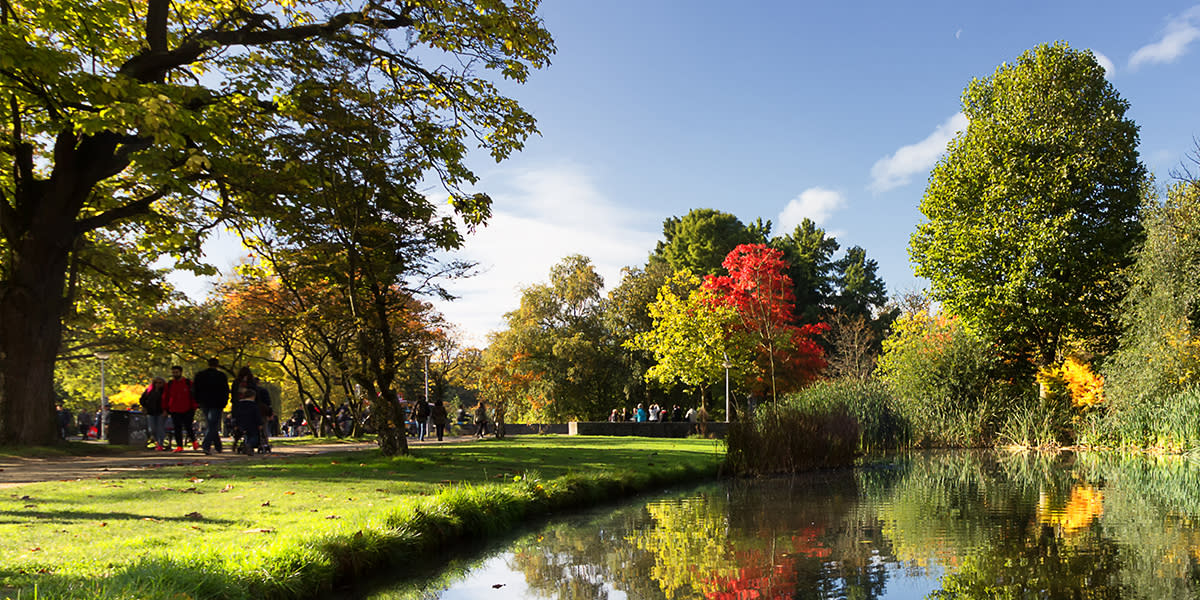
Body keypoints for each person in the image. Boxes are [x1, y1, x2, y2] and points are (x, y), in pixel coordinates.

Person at [193, 358, 230, 455]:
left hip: (204, 402)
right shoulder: (221, 376)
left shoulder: (200, 375)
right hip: (217, 403)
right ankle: (207, 445)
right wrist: (224, 402)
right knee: (212, 423)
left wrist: (197, 401)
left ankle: (218, 446)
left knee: (211, 423)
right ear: (217, 365)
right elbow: (225, 390)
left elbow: (195, 389)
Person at [164, 366, 199, 452]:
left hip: (188, 408)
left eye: (176, 372)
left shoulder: (188, 383)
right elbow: (166, 397)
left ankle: (194, 441)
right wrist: (165, 408)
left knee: (188, 426)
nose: (175, 374)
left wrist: (194, 407)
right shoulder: (170, 384)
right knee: (177, 428)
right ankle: (179, 446)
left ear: (181, 372)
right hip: (174, 409)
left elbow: (194, 395)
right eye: (173, 372)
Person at [231, 367, 262, 455]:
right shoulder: (251, 383)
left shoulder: (236, 383)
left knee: (240, 428)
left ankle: (237, 442)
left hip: (239, 407)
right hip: (250, 408)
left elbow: (233, 395)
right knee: (253, 433)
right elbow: (256, 394)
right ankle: (249, 444)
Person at [139, 377, 168, 450]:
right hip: (151, 412)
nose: (157, 384)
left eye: (160, 383)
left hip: (161, 412)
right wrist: (145, 407)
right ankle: (156, 440)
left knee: (160, 428)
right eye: (156, 383)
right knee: (152, 429)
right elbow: (142, 399)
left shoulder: (165, 391)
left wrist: (166, 410)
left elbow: (169, 401)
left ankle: (160, 444)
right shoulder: (149, 391)